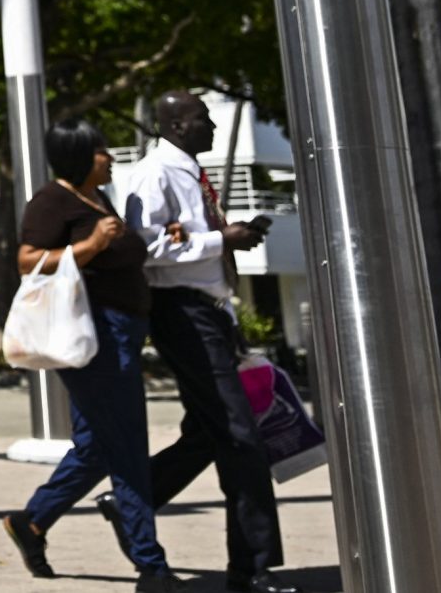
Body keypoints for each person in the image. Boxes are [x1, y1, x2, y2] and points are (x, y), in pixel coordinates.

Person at [111, 91, 289, 593]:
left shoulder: (190, 170)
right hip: (182, 313)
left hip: (211, 311)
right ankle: (251, 569)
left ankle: (131, 501)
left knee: (211, 433)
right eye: (201, 118)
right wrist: (220, 240)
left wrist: (229, 236)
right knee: (240, 436)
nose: (210, 125)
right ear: (175, 124)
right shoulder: (155, 174)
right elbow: (146, 247)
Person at [0, 120, 181, 590]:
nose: (110, 157)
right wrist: (92, 245)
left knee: (98, 446)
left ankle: (31, 521)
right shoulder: (52, 200)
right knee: (126, 447)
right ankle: (151, 566)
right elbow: (26, 260)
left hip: (119, 334)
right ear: (80, 155)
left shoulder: (95, 199)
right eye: (101, 150)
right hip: (95, 337)